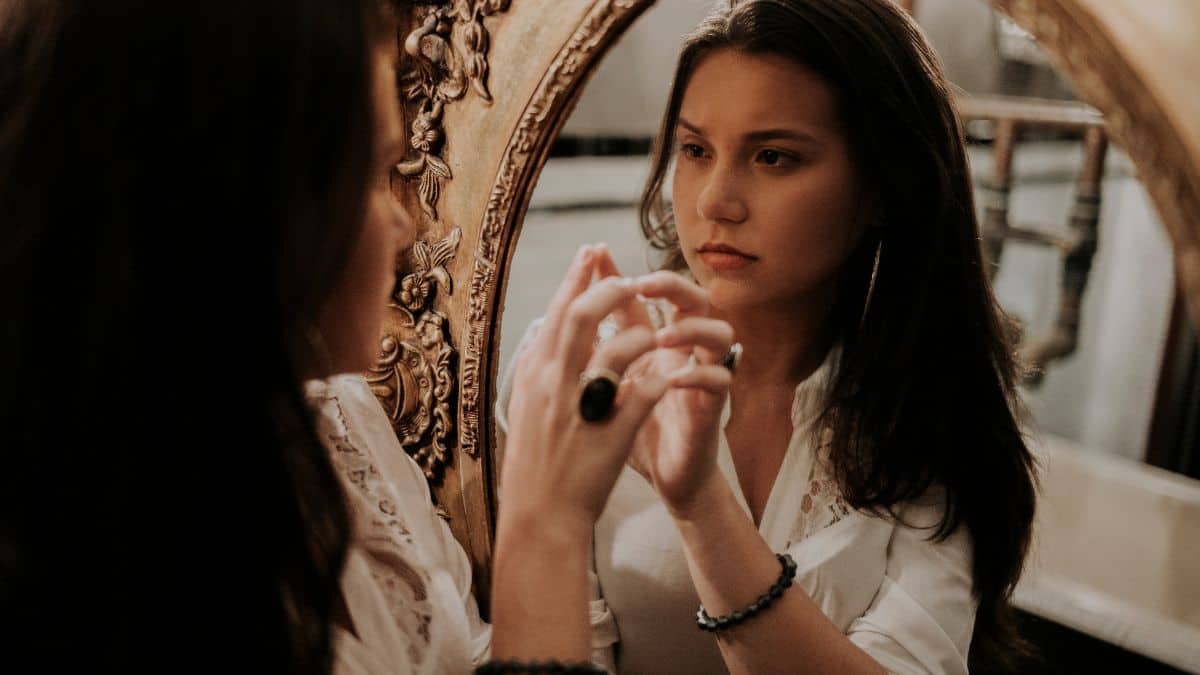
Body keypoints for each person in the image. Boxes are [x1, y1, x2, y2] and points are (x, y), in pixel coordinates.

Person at [0, 1, 709, 672]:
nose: (404, 227)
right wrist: (544, 523)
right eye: (374, 173)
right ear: (243, 203)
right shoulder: (81, 558)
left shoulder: (343, 423)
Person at [497, 1, 1039, 673]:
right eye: (695, 150)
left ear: (881, 187)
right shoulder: (584, 373)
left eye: (773, 156)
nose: (714, 200)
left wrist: (701, 505)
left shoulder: (927, 410)